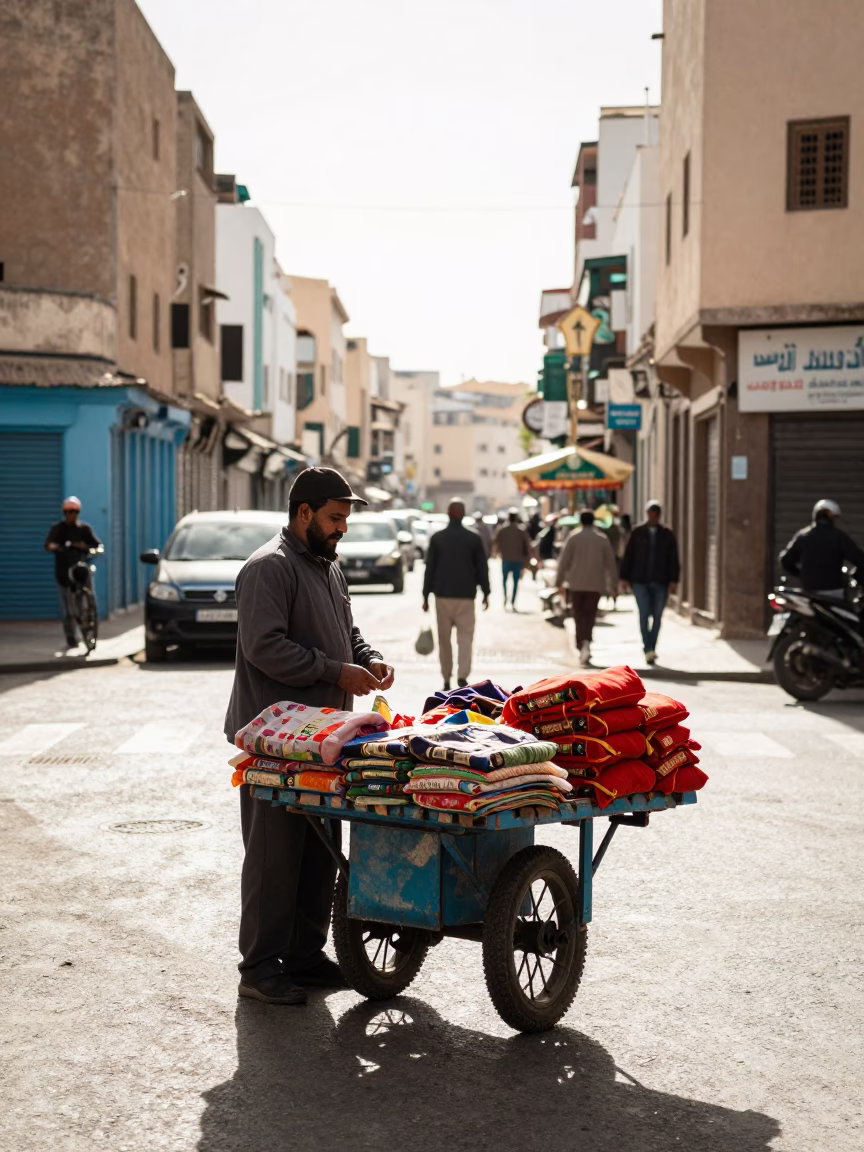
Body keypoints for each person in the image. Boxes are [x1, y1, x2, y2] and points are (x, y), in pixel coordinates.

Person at [224, 467, 394, 1007]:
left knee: (321, 849)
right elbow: (265, 647)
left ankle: (304, 955)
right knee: (275, 853)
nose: (343, 527)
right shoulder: (268, 568)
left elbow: (348, 631)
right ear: (304, 514)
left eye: (345, 518)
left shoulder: (327, 566)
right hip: (276, 739)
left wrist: (366, 658)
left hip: (324, 737)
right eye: (336, 517)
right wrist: (336, 672)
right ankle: (259, 966)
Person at [422, 499, 490, 689]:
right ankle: (462, 675)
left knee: (444, 639)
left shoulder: (437, 538)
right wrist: (486, 592)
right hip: (466, 596)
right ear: (463, 514)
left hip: (442, 596)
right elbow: (482, 568)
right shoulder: (474, 538)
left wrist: (425, 595)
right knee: (465, 638)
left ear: (448, 513)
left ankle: (446, 677)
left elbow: (430, 569)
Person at [620, 500, 680, 666]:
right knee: (644, 614)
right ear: (647, 514)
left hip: (661, 581)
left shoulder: (667, 534)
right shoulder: (637, 532)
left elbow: (673, 559)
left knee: (658, 616)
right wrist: (624, 578)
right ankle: (648, 649)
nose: (653, 517)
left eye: (656, 514)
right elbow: (628, 556)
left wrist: (674, 580)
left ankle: (652, 646)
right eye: (651, 513)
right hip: (640, 581)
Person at [556, 509, 618, 667]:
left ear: (581, 521)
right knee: (590, 615)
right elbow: (611, 564)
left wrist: (559, 582)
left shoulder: (573, 538)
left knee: (578, 614)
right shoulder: (602, 539)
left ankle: (581, 642)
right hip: (595, 584)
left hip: (576, 584)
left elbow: (564, 561)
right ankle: (586, 642)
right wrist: (613, 585)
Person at [44, 496, 102, 649]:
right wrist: (57, 547)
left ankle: (89, 617)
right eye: (68, 512)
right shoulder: (58, 529)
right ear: (64, 512)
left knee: (90, 592)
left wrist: (94, 549)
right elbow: (48, 544)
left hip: (81, 570)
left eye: (74, 512)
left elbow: (98, 545)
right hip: (64, 574)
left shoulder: (84, 529)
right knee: (68, 609)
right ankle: (71, 637)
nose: (71, 515)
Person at [780, 499, 864, 596]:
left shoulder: (803, 536)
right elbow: (859, 559)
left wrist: (801, 575)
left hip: (809, 591)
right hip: (834, 592)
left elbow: (785, 561)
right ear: (829, 515)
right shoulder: (838, 536)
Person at [494, 509, 532, 610]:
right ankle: (512, 601)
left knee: (505, 580)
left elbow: (496, 544)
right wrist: (527, 560)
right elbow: (527, 547)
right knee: (515, 582)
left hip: (506, 559)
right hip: (517, 560)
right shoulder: (521, 531)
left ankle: (506, 598)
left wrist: (497, 553)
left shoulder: (502, 530)